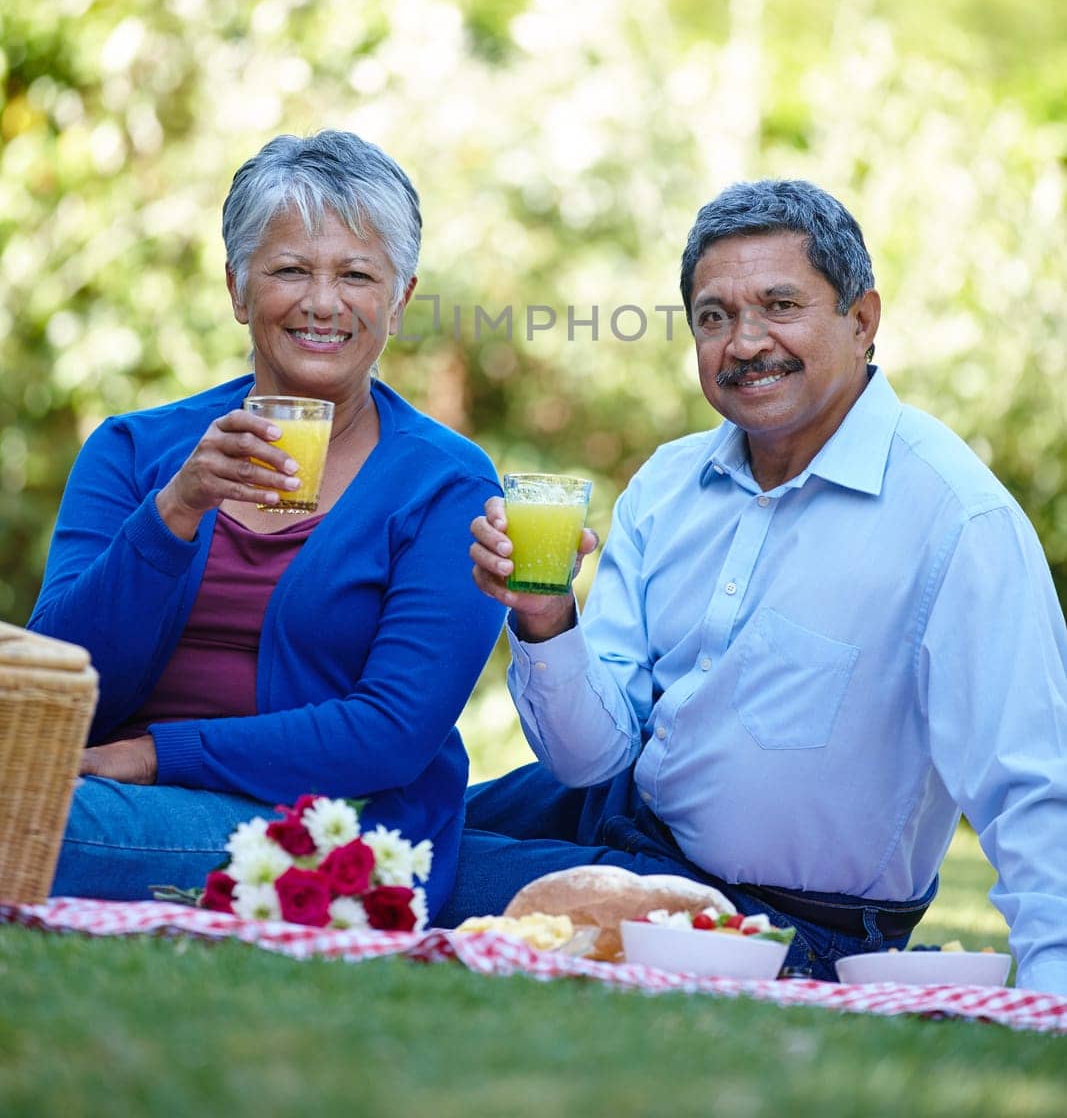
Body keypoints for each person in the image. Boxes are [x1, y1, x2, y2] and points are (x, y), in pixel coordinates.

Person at [443, 180, 1067, 993]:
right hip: (619, 813)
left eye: (779, 305)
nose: (743, 343)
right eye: (713, 316)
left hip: (782, 919)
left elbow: (1032, 780)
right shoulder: (668, 484)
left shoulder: (956, 520)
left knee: (393, 879)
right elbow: (588, 759)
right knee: (387, 829)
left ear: (862, 320)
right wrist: (545, 617)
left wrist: (1053, 998)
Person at [30, 130, 504, 921]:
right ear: (238, 289)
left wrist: (154, 756)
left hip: (328, 831)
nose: (324, 302)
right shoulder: (136, 451)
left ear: (400, 298)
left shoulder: (445, 484)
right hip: (111, 784)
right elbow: (64, 680)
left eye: (357, 275)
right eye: (290, 270)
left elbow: (390, 731)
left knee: (33, 819)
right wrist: (173, 514)